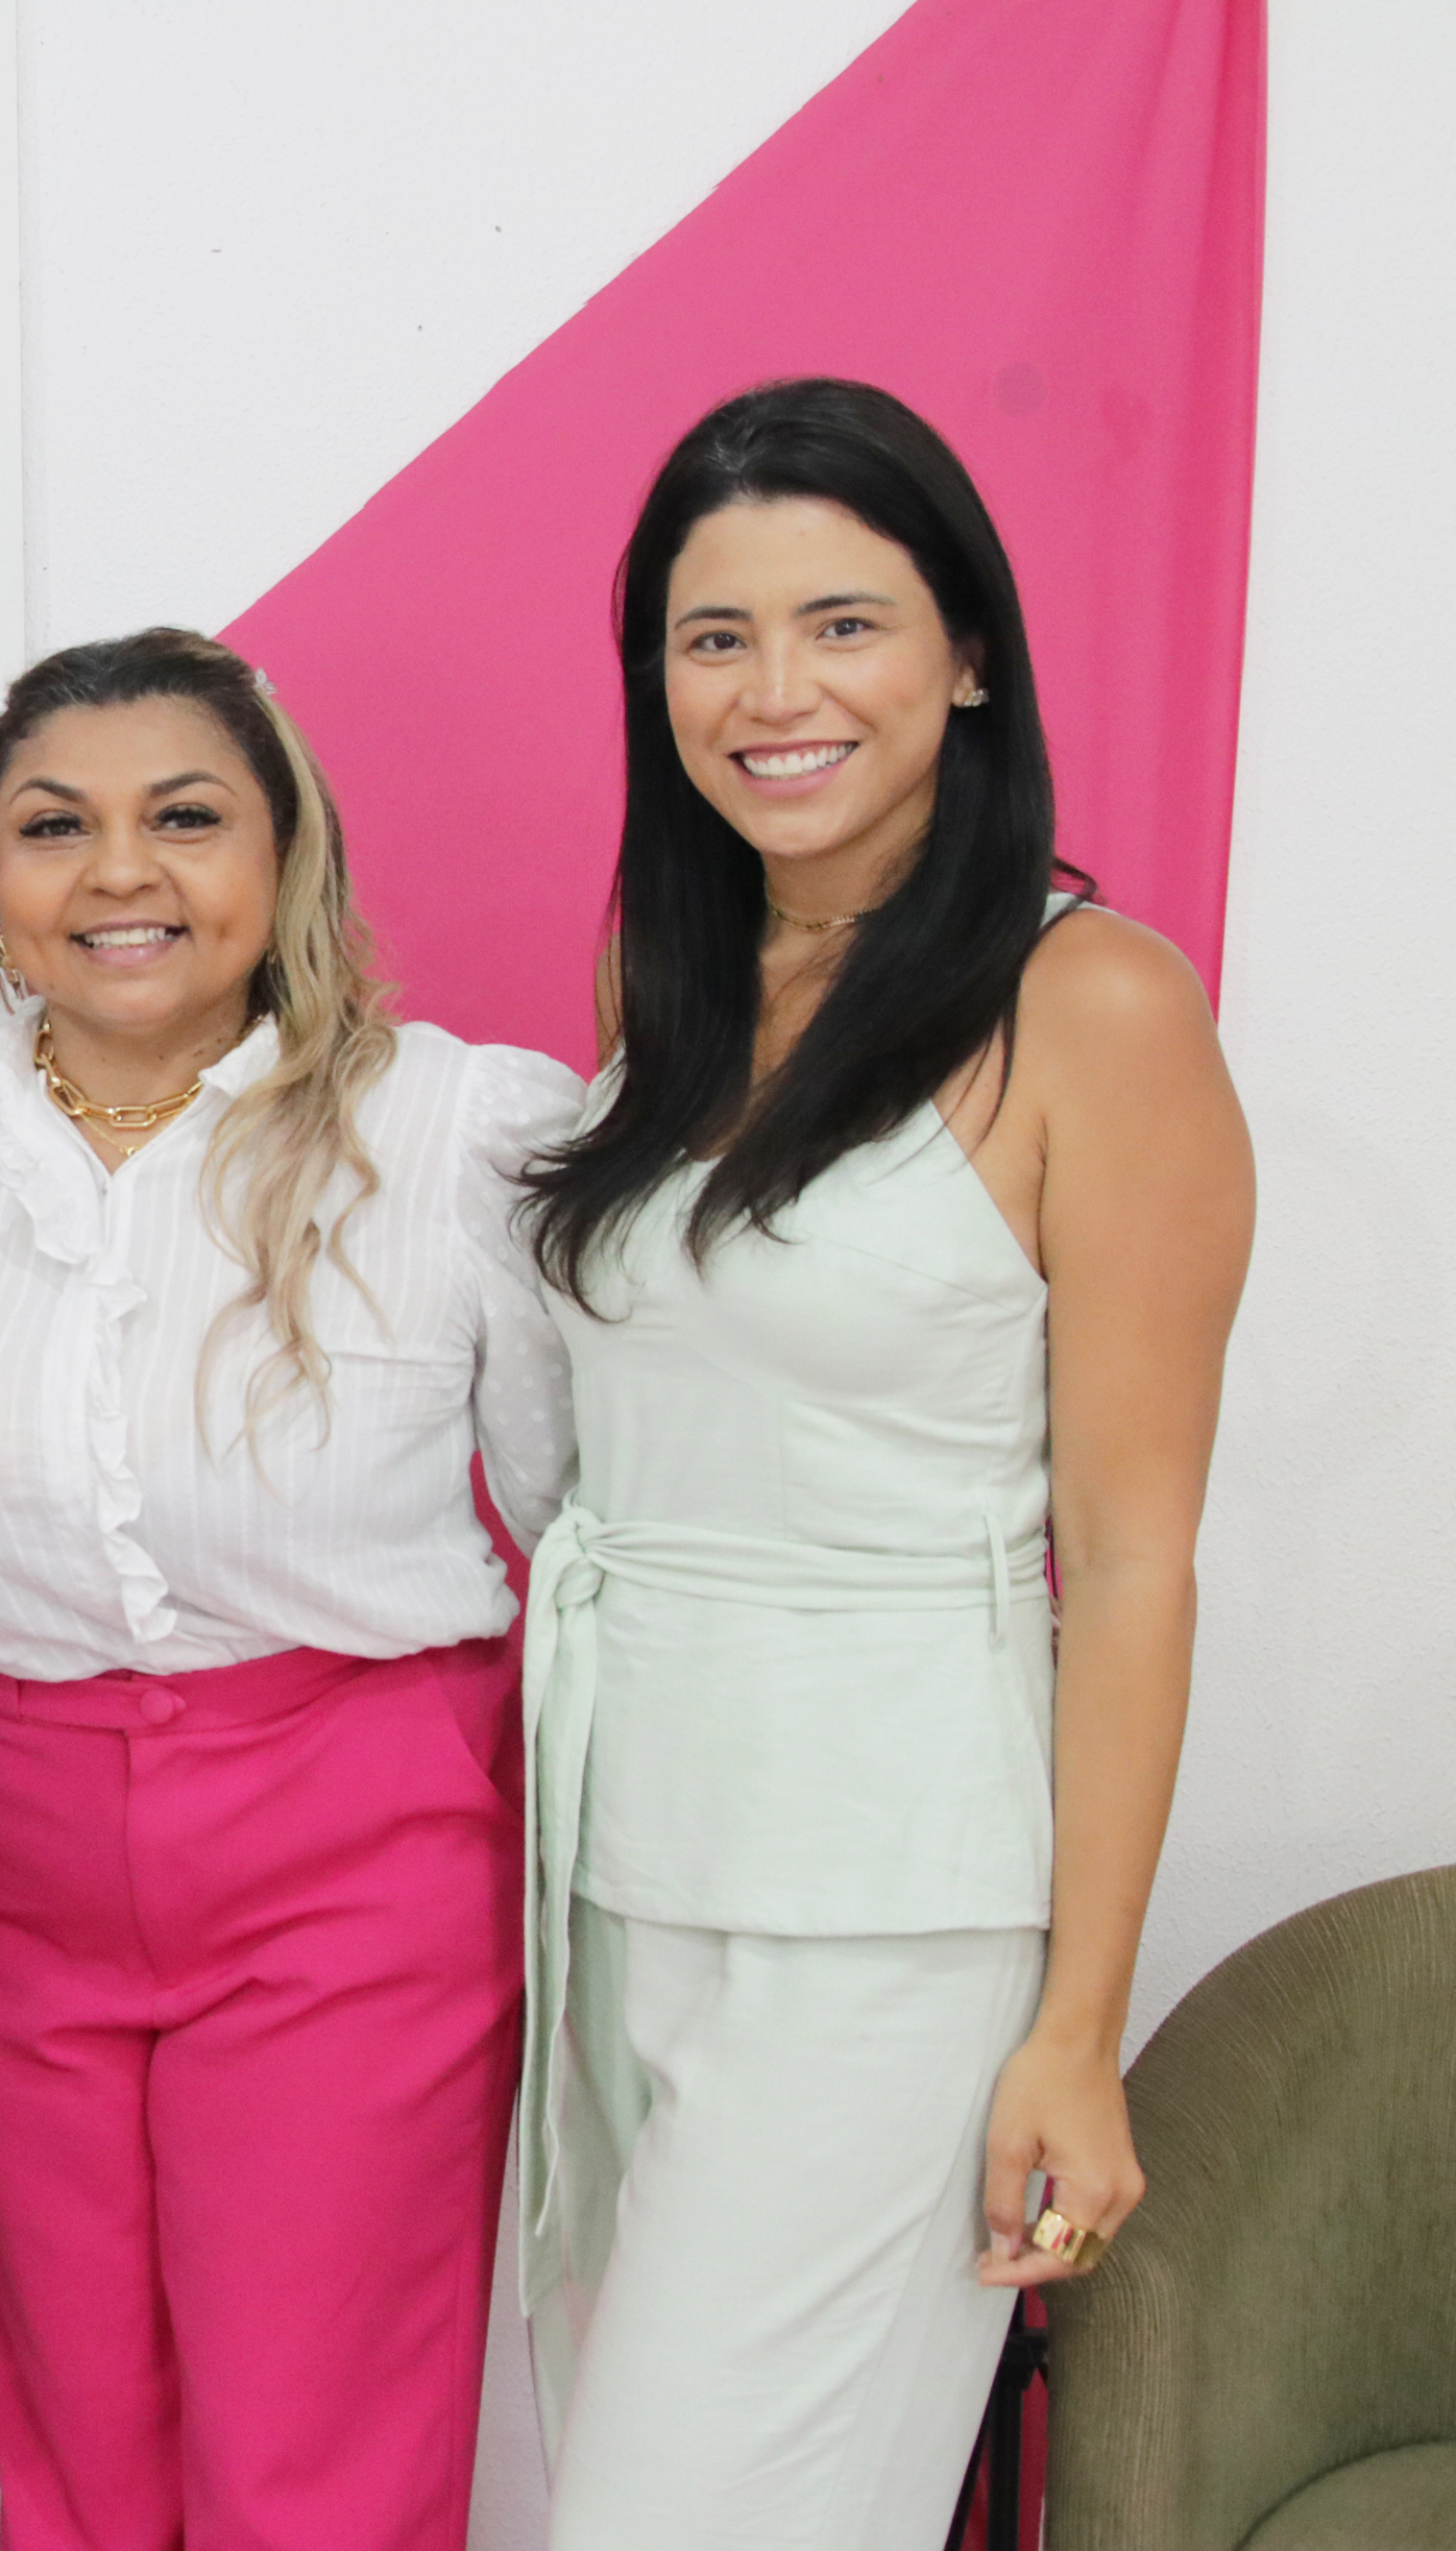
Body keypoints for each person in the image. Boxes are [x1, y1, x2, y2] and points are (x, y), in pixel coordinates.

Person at [514, 377, 1252, 2545]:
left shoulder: (1094, 1005)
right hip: (621, 1868)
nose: (773, 692)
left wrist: (1074, 2029)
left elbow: (1131, 1556)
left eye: (841, 624)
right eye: (712, 636)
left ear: (969, 657)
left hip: (889, 1910)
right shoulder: (664, 972)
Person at [0, 628, 581, 2550]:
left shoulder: (456, 1128)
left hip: (354, 1834)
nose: (120, 872)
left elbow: (580, 1508)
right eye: (52, 827)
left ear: (282, 855)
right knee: (79, 2437)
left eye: (185, 817)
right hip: (15, 1830)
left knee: (306, 2457)